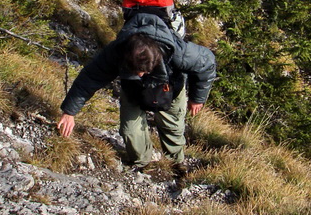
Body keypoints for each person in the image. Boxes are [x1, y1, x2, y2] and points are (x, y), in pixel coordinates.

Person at [57, 11, 216, 169]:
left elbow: (207, 63)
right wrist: (70, 112)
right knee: (130, 131)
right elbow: (90, 78)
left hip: (171, 87)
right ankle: (142, 163)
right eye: (136, 71)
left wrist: (197, 98)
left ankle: (176, 164)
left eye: (144, 71)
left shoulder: (178, 52)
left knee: (172, 127)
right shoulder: (116, 52)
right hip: (133, 89)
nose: (140, 74)